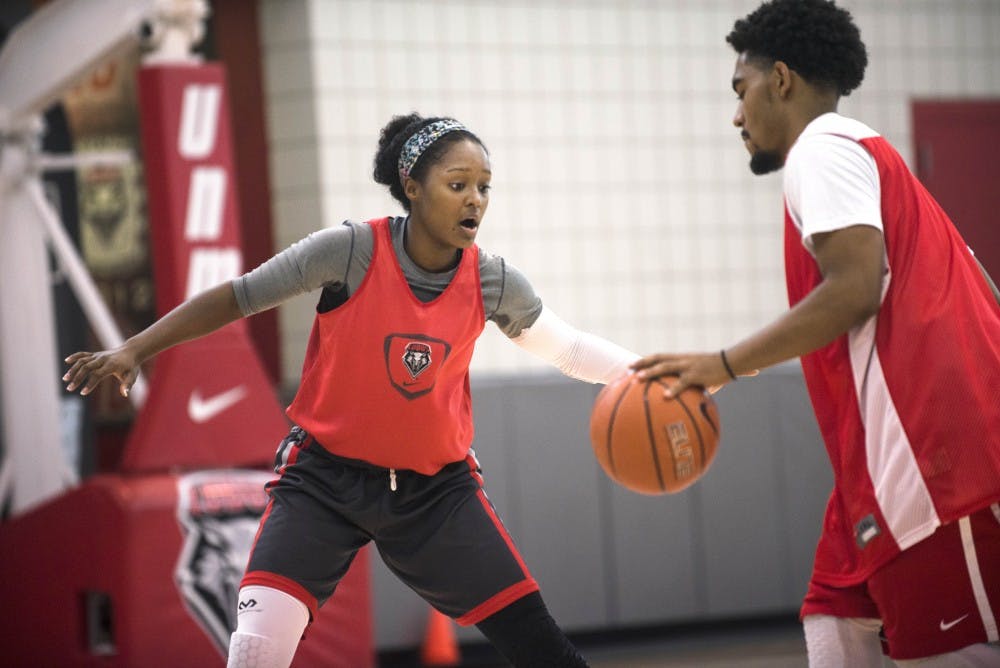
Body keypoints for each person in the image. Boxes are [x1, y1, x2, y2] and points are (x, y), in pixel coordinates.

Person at [63, 113, 639, 668]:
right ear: (412, 188)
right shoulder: (349, 250)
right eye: (458, 184)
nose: (476, 200)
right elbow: (237, 296)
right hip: (324, 482)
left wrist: (662, 374)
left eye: (485, 187)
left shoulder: (492, 280)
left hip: (436, 495)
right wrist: (135, 348)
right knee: (255, 652)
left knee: (544, 649)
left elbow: (568, 349)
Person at [631, 1, 1000, 666]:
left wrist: (722, 364)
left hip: (936, 458)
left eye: (739, 91)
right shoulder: (875, 161)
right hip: (879, 458)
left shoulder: (822, 150)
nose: (736, 115)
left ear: (780, 80)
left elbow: (854, 288)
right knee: (832, 607)